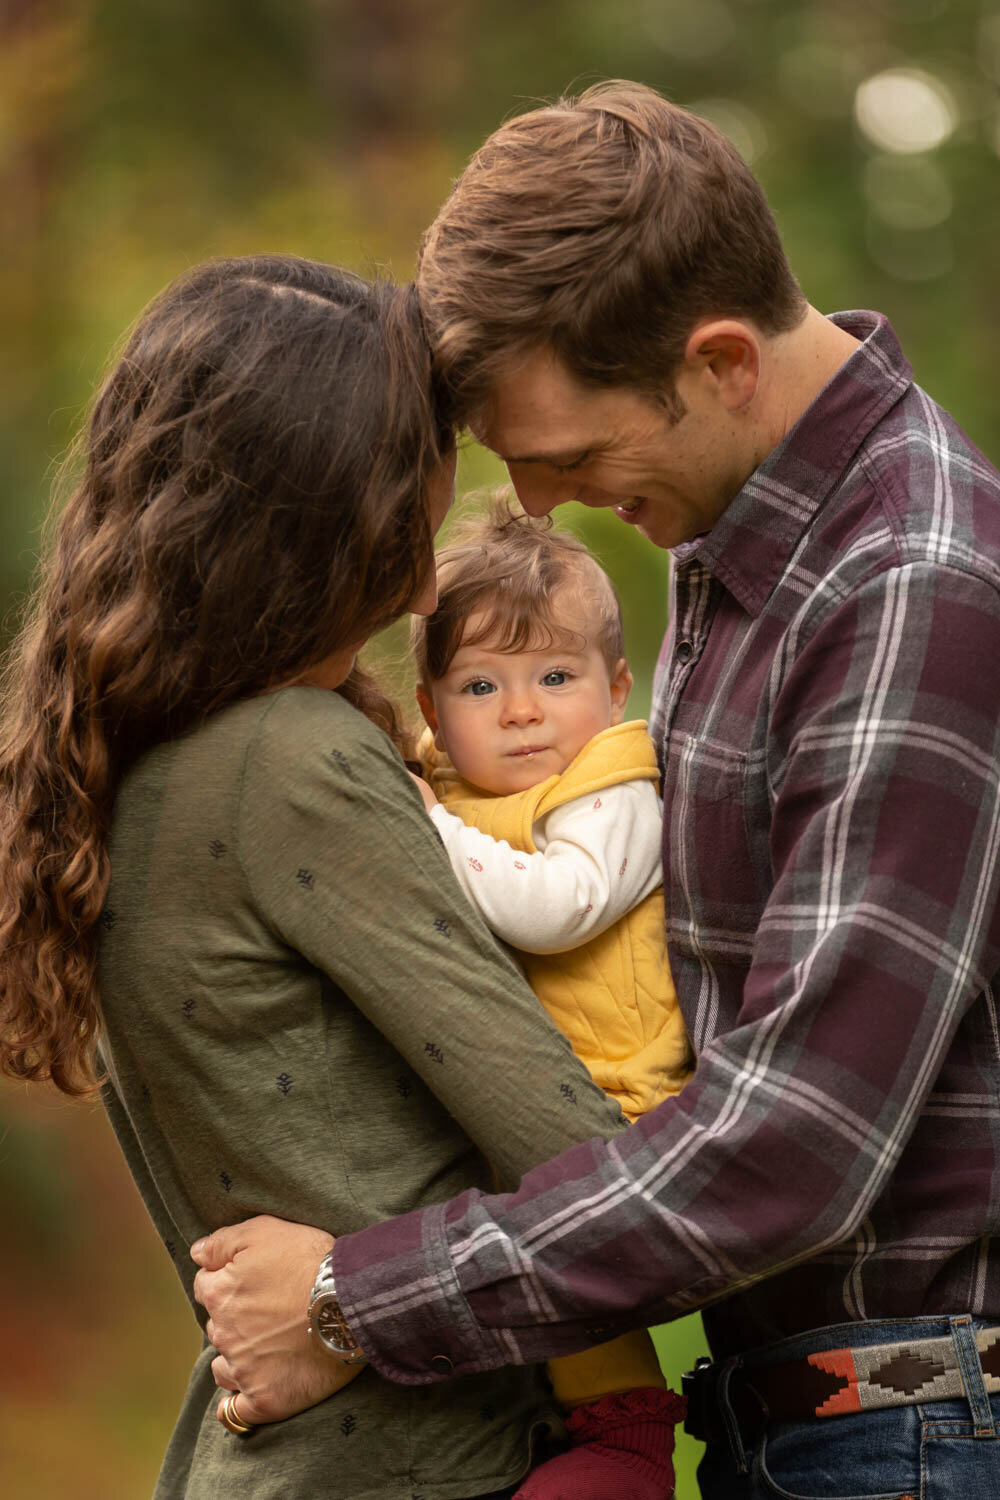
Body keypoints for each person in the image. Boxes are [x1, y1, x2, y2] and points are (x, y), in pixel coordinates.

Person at [190, 82, 1000, 1499]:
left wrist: (358, 1302)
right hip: (798, 1419)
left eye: (569, 457)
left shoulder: (908, 583)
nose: (548, 508)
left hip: (913, 1427)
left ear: (724, 359)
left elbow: (795, 1142)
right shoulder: (742, 538)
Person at [0, 252, 683, 1499]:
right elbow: (590, 1171)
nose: (423, 590)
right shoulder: (293, 761)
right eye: (396, 544)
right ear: (294, 537)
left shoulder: (130, 772)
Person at [410, 502, 693, 1468]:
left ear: (615, 690)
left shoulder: (615, 788)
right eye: (480, 684)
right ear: (432, 712)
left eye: (555, 678)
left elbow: (555, 908)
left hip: (621, 1098)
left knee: (571, 1277)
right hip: (524, 1093)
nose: (521, 710)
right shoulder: (455, 790)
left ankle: (628, 1444)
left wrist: (427, 828)